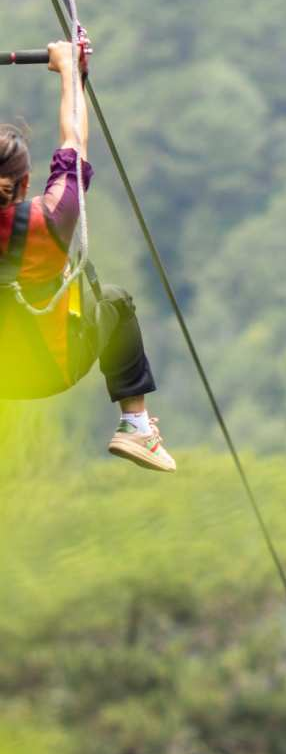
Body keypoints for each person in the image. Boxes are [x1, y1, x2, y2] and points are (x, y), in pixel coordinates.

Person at [0, 40, 175, 472]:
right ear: (24, 185)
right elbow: (73, 140)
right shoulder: (48, 219)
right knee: (113, 299)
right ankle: (135, 425)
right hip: (53, 368)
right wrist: (70, 74)